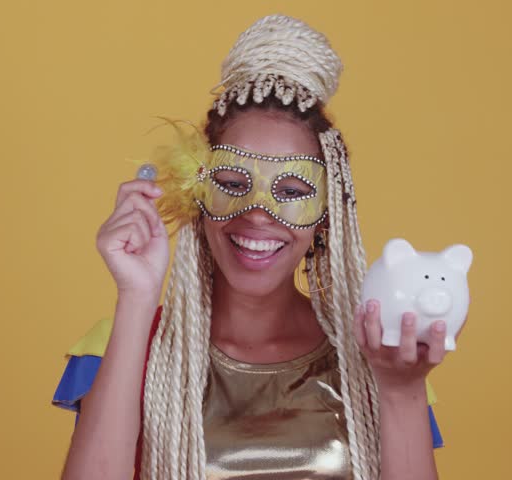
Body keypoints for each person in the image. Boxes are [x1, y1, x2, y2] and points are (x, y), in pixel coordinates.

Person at [52, 14, 454, 480]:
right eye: (230, 182)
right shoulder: (134, 344)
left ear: (328, 213)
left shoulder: (379, 354)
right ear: (196, 193)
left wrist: (401, 391)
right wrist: (137, 297)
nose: (258, 213)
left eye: (292, 191)